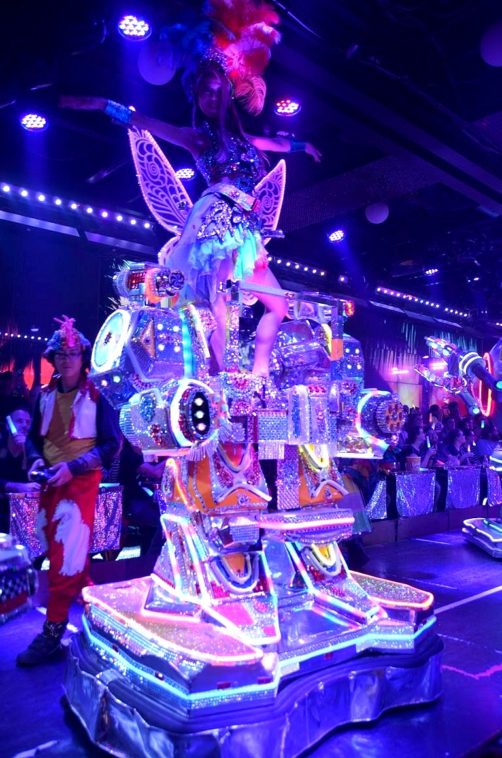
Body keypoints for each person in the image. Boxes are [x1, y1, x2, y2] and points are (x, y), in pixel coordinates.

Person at [61, 61, 320, 377]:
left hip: (246, 230)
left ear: (227, 93)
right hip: (217, 222)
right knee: (220, 304)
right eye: (203, 93)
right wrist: (104, 105)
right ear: (196, 98)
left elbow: (278, 144)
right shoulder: (197, 138)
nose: (210, 98)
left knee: (278, 306)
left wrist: (303, 145)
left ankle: (258, 374)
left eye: (216, 91)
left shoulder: (245, 140)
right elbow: (145, 121)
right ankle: (226, 379)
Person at [16, 317, 121, 667]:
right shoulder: (44, 395)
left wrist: (73, 468)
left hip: (80, 484)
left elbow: (111, 445)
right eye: (60, 354)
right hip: (50, 482)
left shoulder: (98, 395)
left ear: (83, 357)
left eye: (72, 354)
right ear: (52, 358)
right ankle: (102, 621)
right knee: (62, 553)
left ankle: (52, 632)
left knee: (66, 557)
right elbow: (34, 439)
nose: (66, 360)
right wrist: (35, 460)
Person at [0, 401, 40, 532]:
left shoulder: (33, 448)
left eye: (28, 422)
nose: (24, 425)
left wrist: (26, 448)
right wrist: (17, 486)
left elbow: (39, 476)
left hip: (24, 510)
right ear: (8, 425)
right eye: (19, 421)